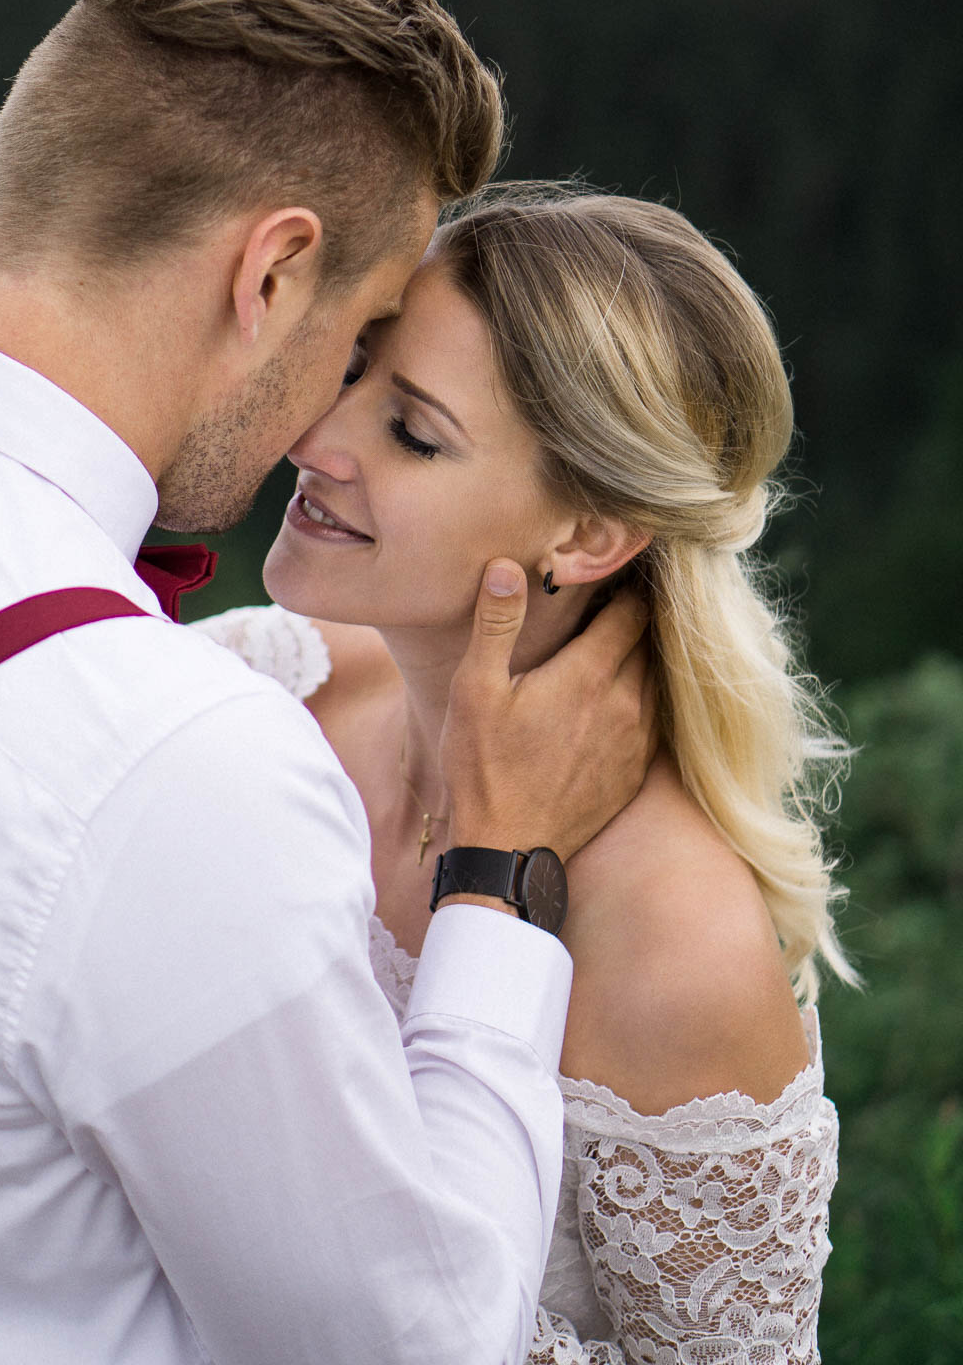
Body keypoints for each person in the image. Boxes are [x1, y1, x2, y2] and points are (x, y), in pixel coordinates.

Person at [0, 0, 654, 1365]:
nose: (330, 411)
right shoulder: (180, 760)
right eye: (360, 331)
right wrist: (496, 893)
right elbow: (422, 1343)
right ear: (270, 278)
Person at [196, 183, 848, 1364]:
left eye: (412, 432)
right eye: (349, 370)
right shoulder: (271, 685)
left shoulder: (671, 939)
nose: (313, 442)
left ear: (586, 537)